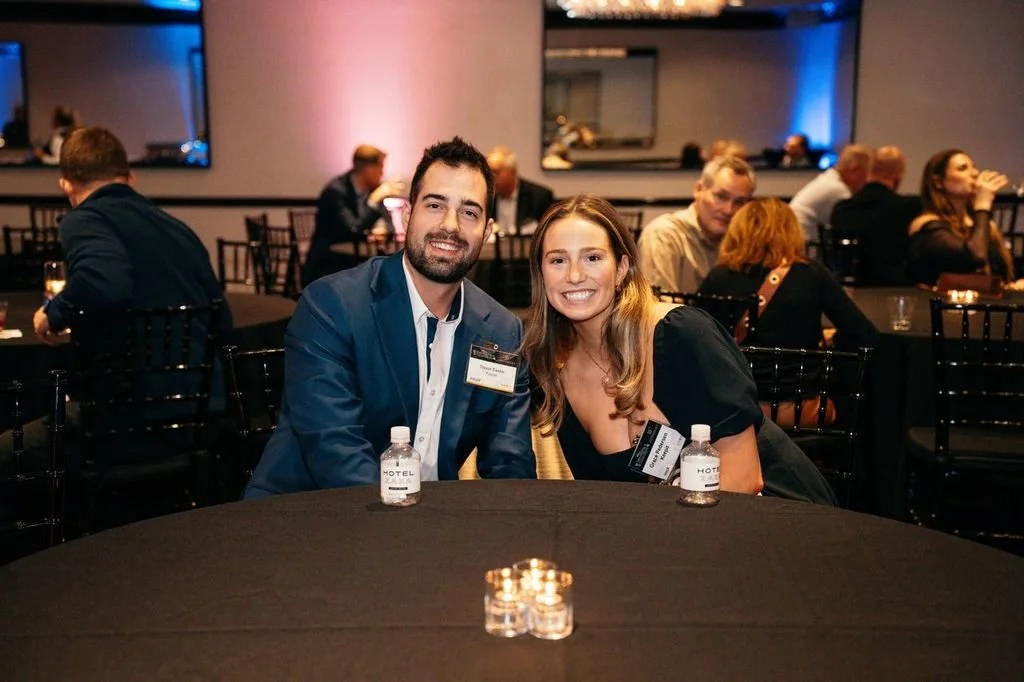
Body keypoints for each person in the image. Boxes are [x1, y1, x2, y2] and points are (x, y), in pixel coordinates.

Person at [245, 137, 536, 498]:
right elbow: (337, 454)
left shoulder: (503, 332)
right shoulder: (332, 307)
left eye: (469, 212)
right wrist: (415, 532)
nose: (450, 225)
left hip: (431, 527)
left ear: (486, 230)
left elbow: (511, 461)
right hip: (311, 520)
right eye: (435, 205)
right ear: (408, 214)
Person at [523, 193, 837, 504]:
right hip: (671, 531)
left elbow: (743, 480)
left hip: (776, 514)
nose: (574, 275)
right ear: (541, 274)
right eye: (558, 260)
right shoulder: (555, 374)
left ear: (621, 269)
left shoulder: (680, 336)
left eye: (592, 258)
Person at [3, 127, 232, 470]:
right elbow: (222, 320)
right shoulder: (177, 229)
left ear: (65, 184)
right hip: (201, 416)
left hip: (123, 420)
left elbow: (102, 281)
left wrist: (54, 312)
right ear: (130, 178)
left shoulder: (84, 219)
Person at [701, 198, 877, 352]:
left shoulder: (719, 276)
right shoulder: (812, 274)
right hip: (801, 387)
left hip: (735, 386)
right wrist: (829, 341)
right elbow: (864, 334)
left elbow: (697, 336)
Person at [638, 155, 756, 293]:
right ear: (699, 189)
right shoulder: (664, 234)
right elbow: (657, 307)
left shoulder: (745, 243)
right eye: (721, 197)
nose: (729, 210)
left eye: (739, 202)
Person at [906, 149, 1014, 287]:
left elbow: (998, 273)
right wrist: (982, 205)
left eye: (974, 167)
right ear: (938, 182)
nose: (975, 173)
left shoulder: (981, 225)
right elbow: (975, 257)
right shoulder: (927, 225)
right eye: (963, 168)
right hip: (940, 306)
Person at [302, 144, 406, 286]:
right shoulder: (336, 191)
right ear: (368, 169)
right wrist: (374, 200)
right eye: (380, 168)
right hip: (331, 266)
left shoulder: (373, 189)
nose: (382, 174)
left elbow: (389, 225)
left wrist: (382, 230)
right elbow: (353, 228)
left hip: (361, 262)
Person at [830, 146, 922, 286]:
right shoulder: (910, 209)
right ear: (899, 175)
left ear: (870, 171)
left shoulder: (842, 209)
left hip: (852, 288)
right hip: (898, 288)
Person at [789, 144, 872, 240]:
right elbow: (854, 226)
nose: (867, 180)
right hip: (807, 245)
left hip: (798, 240)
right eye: (866, 174)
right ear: (855, 170)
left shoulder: (829, 180)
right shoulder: (838, 191)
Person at [486, 146, 555, 235]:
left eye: (496, 172)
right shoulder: (487, 197)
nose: (491, 177)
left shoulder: (539, 197)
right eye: (488, 173)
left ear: (512, 172)